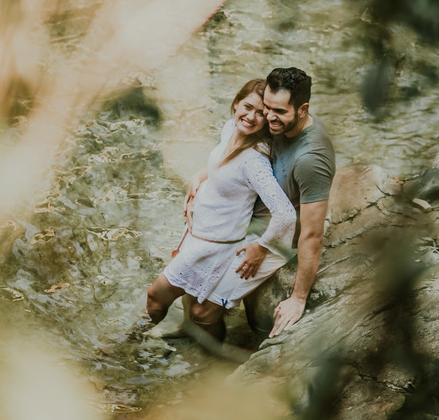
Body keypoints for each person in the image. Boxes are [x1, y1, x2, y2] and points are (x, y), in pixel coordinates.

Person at [141, 79, 296, 342]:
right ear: (236, 103)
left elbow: (286, 214)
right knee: (185, 301)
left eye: (261, 113)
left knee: (161, 298)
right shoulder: (230, 129)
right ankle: (190, 342)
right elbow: (224, 167)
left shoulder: (254, 160)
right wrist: (200, 177)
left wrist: (261, 248)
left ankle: (130, 342)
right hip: (199, 233)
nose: (251, 117)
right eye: (247, 107)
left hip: (215, 245)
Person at [189, 67, 336, 341]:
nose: (268, 117)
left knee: (202, 312)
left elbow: (312, 235)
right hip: (245, 215)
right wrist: (203, 175)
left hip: (276, 236)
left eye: (278, 111)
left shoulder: (311, 160)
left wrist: (297, 298)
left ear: (302, 110)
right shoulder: (277, 122)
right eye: (267, 107)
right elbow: (245, 155)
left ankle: (216, 359)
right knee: (189, 280)